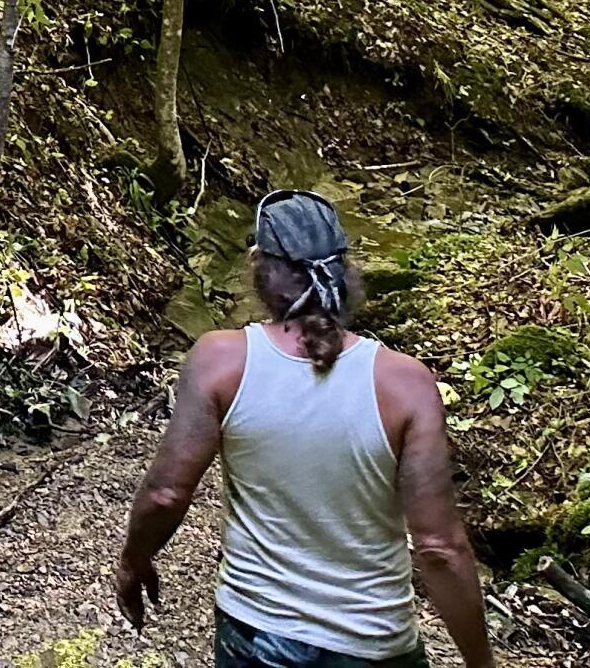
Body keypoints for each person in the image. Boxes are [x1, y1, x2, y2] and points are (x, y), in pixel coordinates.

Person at [113, 192, 493, 668]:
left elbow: (167, 493)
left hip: (258, 635)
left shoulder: (220, 360)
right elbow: (439, 548)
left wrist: (135, 559)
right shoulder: (406, 383)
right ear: (345, 271)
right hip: (374, 643)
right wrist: (481, 661)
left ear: (260, 269)